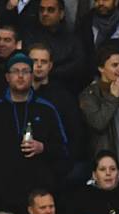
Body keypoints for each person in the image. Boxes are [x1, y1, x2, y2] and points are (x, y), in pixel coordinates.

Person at [0, 52, 68, 214]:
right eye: (15, 71)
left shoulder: (46, 109)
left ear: (32, 76)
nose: (21, 76)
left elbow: (63, 149)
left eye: (25, 71)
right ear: (7, 77)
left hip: (37, 196)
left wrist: (43, 147)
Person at [79, 45, 119, 178]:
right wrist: (112, 97)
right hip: (103, 166)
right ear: (101, 68)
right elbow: (98, 123)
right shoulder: (89, 94)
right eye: (114, 65)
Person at [29, 42, 86, 173]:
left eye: (43, 62)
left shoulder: (64, 97)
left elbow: (75, 134)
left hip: (55, 167)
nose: (38, 65)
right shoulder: (17, 94)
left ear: (50, 66)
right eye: (34, 61)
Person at [21, 0, 85, 91]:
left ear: (61, 13)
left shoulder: (73, 41)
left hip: (64, 89)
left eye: (50, 10)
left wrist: (47, 70)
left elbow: (76, 67)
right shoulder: (30, 36)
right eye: (42, 10)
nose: (44, 13)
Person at [76, 0, 119, 80]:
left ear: (116, 1)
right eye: (97, 0)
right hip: (91, 78)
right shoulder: (85, 22)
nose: (101, 3)